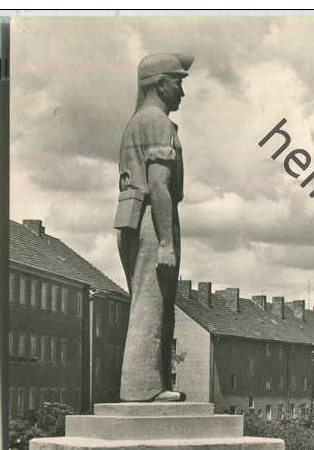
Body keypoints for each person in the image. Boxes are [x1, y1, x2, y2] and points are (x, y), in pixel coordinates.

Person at [116, 53, 193, 402]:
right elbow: (159, 185)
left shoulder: (137, 122)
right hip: (152, 217)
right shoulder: (157, 123)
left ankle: (152, 385)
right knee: (152, 302)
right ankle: (144, 389)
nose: (182, 92)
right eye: (178, 83)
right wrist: (166, 242)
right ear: (161, 83)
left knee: (149, 300)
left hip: (133, 217)